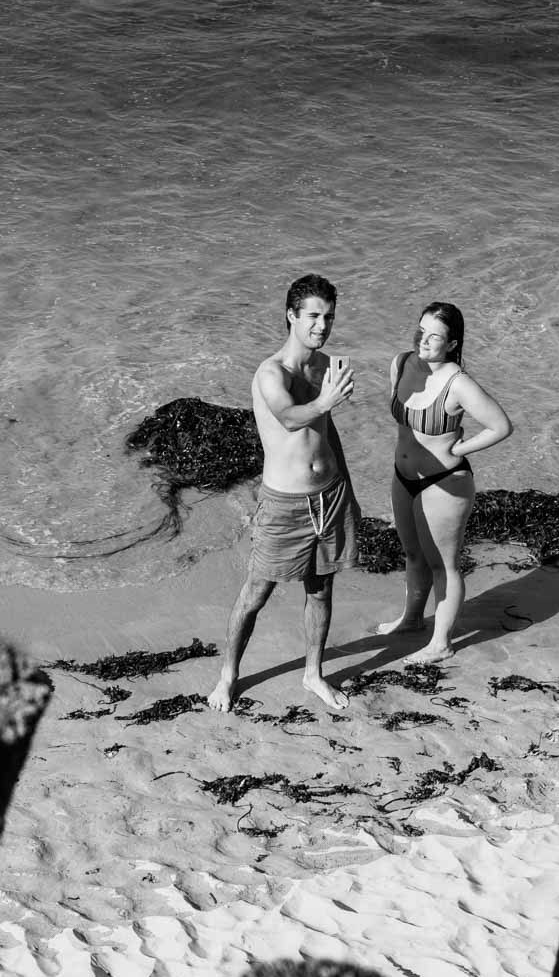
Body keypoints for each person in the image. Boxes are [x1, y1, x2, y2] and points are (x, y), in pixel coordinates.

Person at [207, 274, 360, 713]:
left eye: (328, 317)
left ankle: (313, 674)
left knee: (320, 591)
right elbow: (291, 417)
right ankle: (229, 675)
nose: (321, 325)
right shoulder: (271, 372)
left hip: (329, 496)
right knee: (255, 594)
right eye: (312, 316)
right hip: (285, 504)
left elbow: (327, 435)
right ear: (291, 315)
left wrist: (347, 491)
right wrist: (325, 402)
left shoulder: (324, 366)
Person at [374, 302, 512, 664]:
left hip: (445, 482)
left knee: (443, 565)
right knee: (413, 553)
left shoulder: (459, 383)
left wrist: (461, 447)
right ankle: (411, 619)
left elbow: (500, 426)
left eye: (435, 335)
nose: (424, 339)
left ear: (452, 344)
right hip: (403, 477)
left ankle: (441, 643)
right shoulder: (401, 363)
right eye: (421, 330)